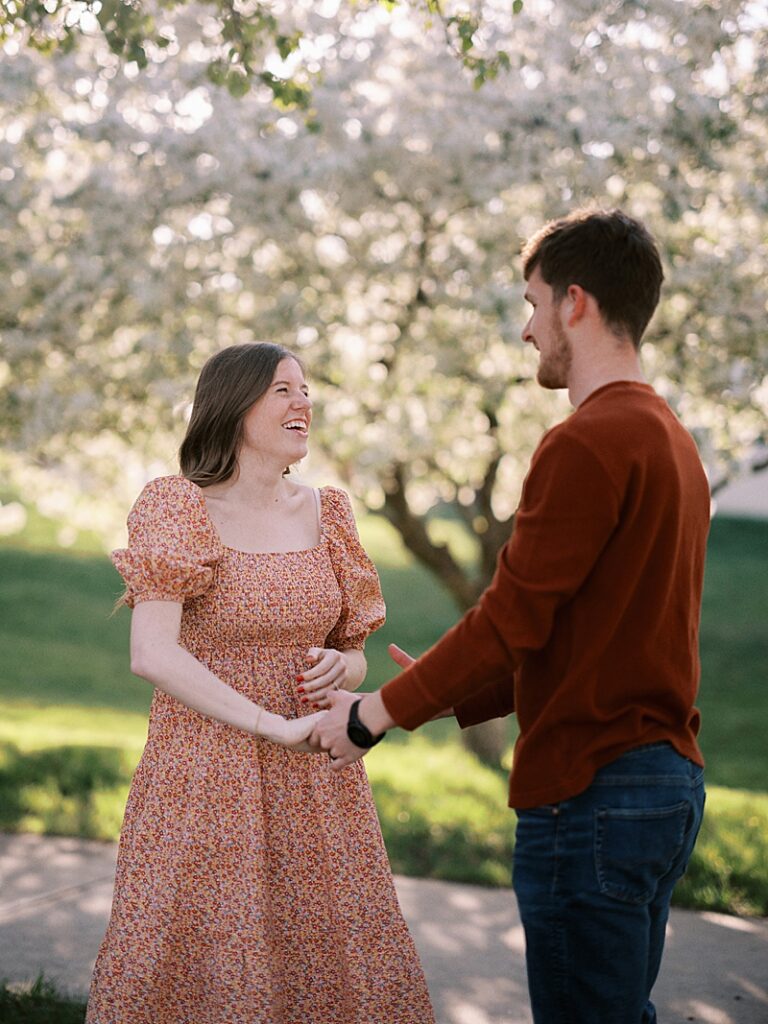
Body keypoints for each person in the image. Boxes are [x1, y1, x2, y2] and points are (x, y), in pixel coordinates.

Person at [311, 209, 710, 1023]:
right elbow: (596, 632)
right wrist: (457, 694)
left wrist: (372, 716)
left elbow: (513, 617)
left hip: (591, 787)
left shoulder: (587, 441)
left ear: (575, 303)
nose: (526, 330)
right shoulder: (671, 439)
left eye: (532, 304)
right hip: (662, 782)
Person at [86, 342, 435, 1024]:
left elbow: (353, 654)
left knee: (326, 962)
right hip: (204, 778)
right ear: (234, 403)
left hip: (317, 782)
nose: (303, 402)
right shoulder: (176, 506)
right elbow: (152, 653)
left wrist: (347, 668)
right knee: (199, 965)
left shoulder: (328, 513)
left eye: (305, 390)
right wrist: (272, 726)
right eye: (282, 389)